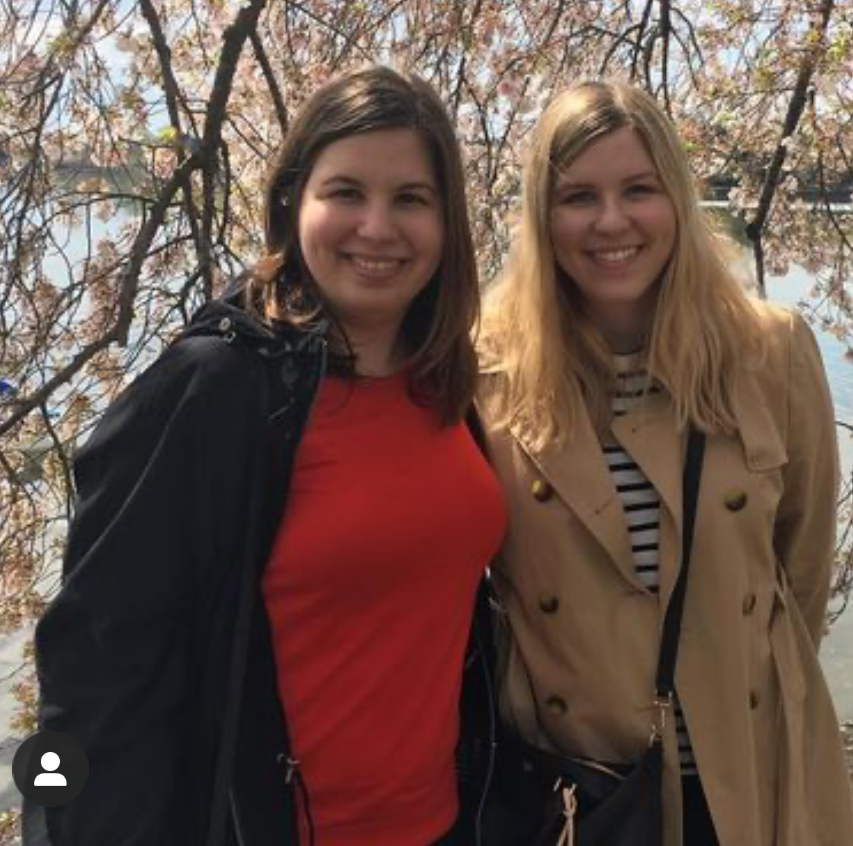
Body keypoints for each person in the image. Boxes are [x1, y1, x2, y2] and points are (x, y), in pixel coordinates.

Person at [25, 66, 506, 846]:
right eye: (346, 192)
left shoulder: (446, 384)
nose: (377, 226)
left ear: (447, 221)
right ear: (292, 201)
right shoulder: (216, 387)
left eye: (411, 199)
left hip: (446, 824)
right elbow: (90, 661)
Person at [475, 81, 853, 846]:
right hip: (583, 789)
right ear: (542, 215)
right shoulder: (487, 372)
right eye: (578, 196)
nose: (611, 221)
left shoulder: (769, 351)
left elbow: (801, 567)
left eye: (638, 190)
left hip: (745, 766)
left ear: (677, 200)